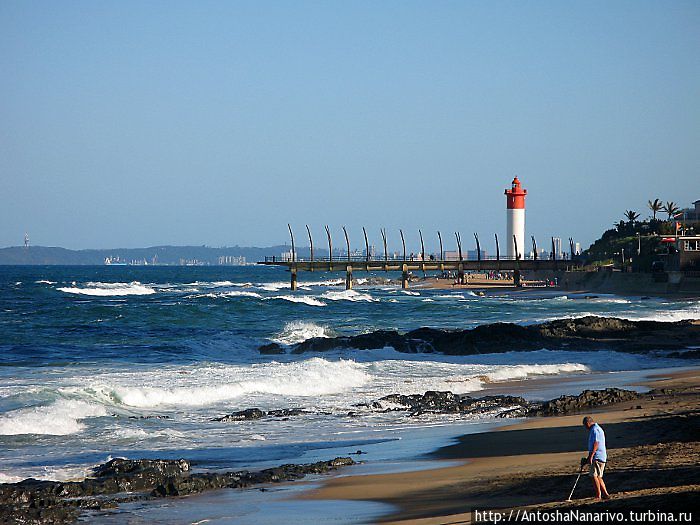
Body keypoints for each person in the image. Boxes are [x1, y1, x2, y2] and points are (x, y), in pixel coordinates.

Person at [582, 416, 610, 500]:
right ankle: (605, 494)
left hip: (597, 456)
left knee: (593, 476)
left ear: (588, 423)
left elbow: (596, 443)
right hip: (600, 456)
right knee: (598, 476)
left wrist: (591, 456)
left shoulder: (595, 429)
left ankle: (598, 495)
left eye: (585, 425)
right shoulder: (596, 429)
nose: (585, 428)